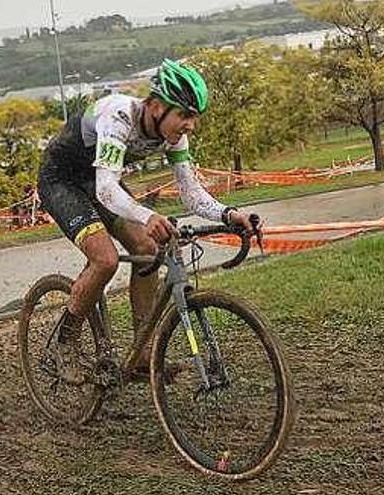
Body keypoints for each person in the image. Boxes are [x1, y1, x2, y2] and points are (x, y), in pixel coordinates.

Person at [37, 59, 256, 376]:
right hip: (61, 180)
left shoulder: (176, 136)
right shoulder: (119, 115)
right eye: (184, 115)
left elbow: (190, 192)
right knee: (106, 260)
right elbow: (108, 190)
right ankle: (63, 346)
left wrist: (229, 214)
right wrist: (148, 215)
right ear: (156, 106)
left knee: (148, 249)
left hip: (99, 179)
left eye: (194, 117)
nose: (190, 125)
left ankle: (142, 353)